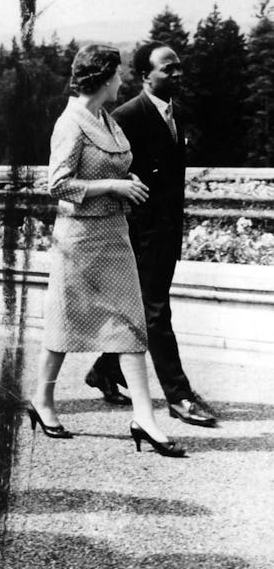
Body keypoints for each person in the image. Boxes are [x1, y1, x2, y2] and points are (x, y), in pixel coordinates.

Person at [29, 44, 185, 458]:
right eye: (116, 75)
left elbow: (113, 164)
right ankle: (41, 401)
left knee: (132, 325)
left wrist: (126, 178)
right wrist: (114, 187)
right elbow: (58, 183)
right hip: (79, 239)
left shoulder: (105, 120)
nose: (122, 81)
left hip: (116, 235)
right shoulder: (71, 122)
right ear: (101, 77)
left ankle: (144, 417)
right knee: (63, 325)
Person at [84, 42, 218, 428]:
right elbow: (103, 171)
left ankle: (105, 370)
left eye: (178, 66)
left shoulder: (175, 113)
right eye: (167, 68)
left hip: (165, 232)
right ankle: (179, 396)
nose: (177, 73)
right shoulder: (126, 117)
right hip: (138, 234)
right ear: (146, 76)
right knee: (156, 311)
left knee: (144, 311)